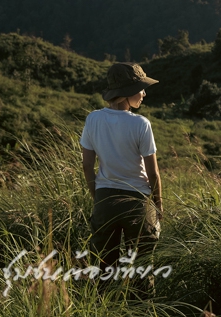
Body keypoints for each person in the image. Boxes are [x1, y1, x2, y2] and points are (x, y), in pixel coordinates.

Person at [80, 62, 162, 296]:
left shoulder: (93, 119)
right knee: (143, 266)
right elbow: (153, 173)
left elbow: (87, 166)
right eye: (141, 88)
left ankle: (105, 308)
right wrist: (159, 203)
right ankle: (142, 309)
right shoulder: (141, 124)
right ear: (127, 92)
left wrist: (97, 196)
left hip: (105, 198)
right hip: (137, 201)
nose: (144, 93)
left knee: (104, 269)